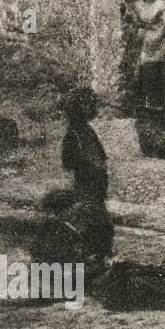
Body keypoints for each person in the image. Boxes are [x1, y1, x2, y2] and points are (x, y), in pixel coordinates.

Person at [37, 87, 114, 272]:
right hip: (86, 186)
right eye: (86, 105)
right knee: (94, 223)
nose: (91, 108)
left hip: (95, 186)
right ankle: (89, 262)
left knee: (100, 223)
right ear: (78, 108)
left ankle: (97, 259)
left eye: (91, 104)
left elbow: (97, 158)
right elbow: (69, 164)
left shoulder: (86, 131)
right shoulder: (74, 134)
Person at [125, 0, 165, 111]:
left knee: (163, 68)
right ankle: (149, 103)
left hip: (159, 37)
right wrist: (142, 27)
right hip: (146, 40)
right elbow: (133, 21)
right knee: (146, 70)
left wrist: (159, 31)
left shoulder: (161, 3)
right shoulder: (138, 5)